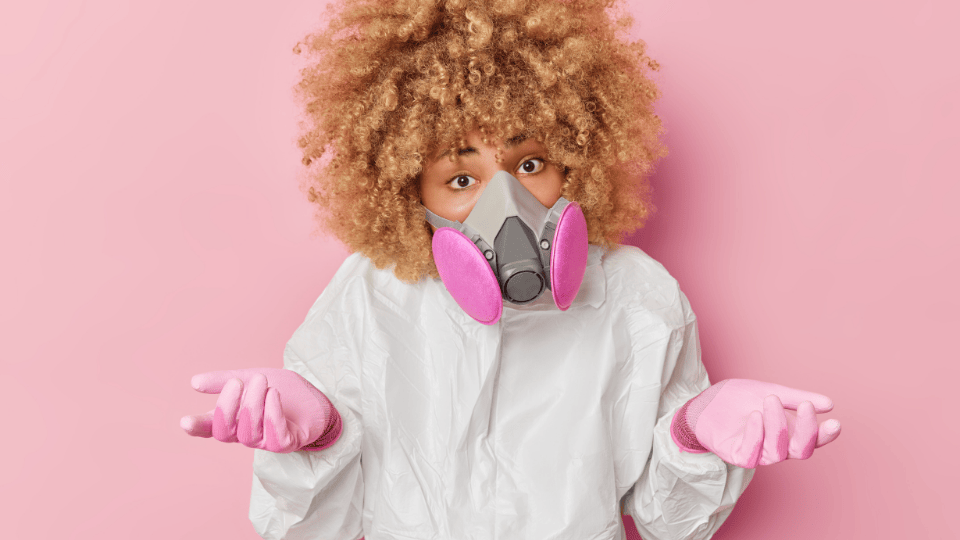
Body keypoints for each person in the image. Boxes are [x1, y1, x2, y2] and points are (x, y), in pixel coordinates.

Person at [180, 1, 841, 539]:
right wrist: (316, 433)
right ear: (410, 190)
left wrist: (697, 434)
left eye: (530, 165)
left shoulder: (638, 296)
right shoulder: (372, 294)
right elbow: (308, 528)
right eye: (461, 177)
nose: (507, 205)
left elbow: (672, 523)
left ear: (576, 160)